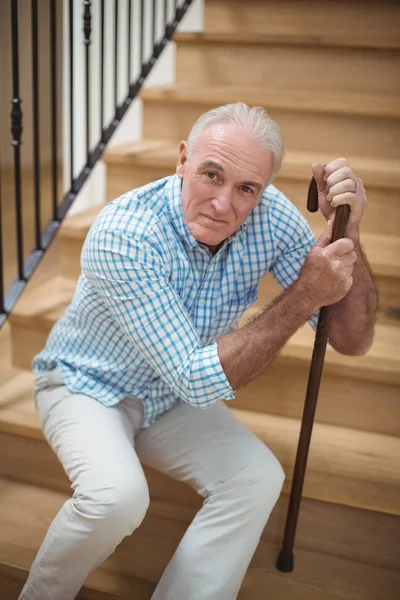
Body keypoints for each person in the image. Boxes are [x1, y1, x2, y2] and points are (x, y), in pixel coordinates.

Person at [20, 102, 377, 600]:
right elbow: (194, 376)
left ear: (266, 187)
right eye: (211, 174)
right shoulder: (124, 234)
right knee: (116, 498)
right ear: (182, 159)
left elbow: (351, 339)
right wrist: (303, 296)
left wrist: (350, 234)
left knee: (255, 477)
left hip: (167, 397)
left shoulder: (272, 217)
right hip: (87, 386)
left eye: (247, 188)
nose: (222, 203)